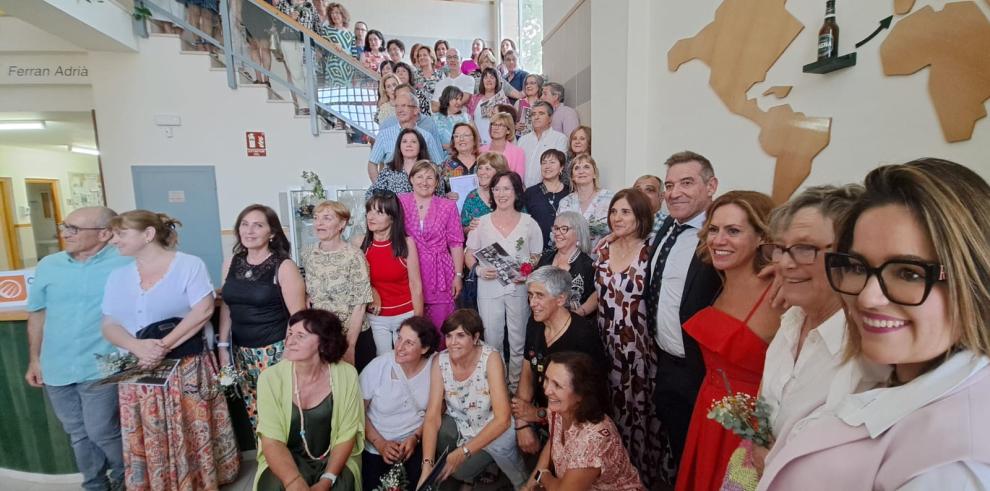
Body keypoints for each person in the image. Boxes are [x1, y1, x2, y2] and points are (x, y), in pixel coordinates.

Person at [760, 158, 990, 489]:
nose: (868, 298)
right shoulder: (880, 369)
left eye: (908, 273)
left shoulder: (954, 469)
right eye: (856, 267)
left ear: (974, 280)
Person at [721, 185, 881, 486]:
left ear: (851, 258)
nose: (784, 262)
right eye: (780, 248)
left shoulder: (868, 352)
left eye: (805, 249)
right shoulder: (790, 321)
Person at [101, 211, 239, 489]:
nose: (114, 240)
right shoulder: (118, 276)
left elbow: (203, 310)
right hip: (138, 367)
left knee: (187, 428)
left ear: (148, 235)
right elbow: (109, 323)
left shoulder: (188, 265)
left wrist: (161, 347)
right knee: (151, 431)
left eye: (121, 234)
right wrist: (137, 347)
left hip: (184, 365)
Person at [675, 191, 781, 491]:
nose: (719, 240)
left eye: (733, 231)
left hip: (749, 425)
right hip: (708, 410)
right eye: (714, 229)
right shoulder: (715, 278)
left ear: (762, 236)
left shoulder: (779, 294)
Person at [25, 207, 130, 491]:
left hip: (102, 365)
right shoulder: (49, 264)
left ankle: (125, 480)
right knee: (78, 433)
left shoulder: (125, 261)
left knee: (102, 431)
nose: (65, 233)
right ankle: (95, 484)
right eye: (65, 226)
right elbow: (37, 314)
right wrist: (35, 360)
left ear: (105, 234)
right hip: (56, 365)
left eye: (74, 229)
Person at [645, 151, 723, 475]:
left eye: (686, 183)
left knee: (709, 459)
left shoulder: (718, 236)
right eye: (669, 185)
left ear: (711, 185)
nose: (674, 192)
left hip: (702, 370)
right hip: (666, 362)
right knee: (681, 449)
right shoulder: (667, 229)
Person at [594, 188, 668, 487]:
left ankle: (642, 478)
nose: (617, 217)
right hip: (605, 342)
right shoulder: (602, 249)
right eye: (614, 211)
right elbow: (597, 294)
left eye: (625, 212)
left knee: (639, 415)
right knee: (610, 411)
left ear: (641, 215)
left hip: (638, 347)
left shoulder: (652, 250)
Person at [254, 309, 364, 490]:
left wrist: (327, 480)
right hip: (286, 458)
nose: (290, 342)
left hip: (332, 458)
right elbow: (272, 441)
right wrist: (293, 482)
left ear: (323, 343)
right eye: (290, 334)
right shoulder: (270, 379)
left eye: (300, 336)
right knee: (275, 486)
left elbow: (347, 433)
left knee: (342, 485)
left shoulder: (346, 374)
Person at [219, 204, 307, 430]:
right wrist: (222, 347)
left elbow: (298, 317)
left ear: (272, 233)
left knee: (281, 410)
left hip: (275, 350)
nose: (249, 231)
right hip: (240, 352)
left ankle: (290, 461)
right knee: (255, 412)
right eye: (245, 225)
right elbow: (227, 307)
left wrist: (290, 354)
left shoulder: (284, 266)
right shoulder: (231, 263)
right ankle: (267, 460)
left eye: (258, 225)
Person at [418, 310, 528, 489]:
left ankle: (501, 469)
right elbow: (432, 416)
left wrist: (463, 452)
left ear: (476, 337)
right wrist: (427, 465)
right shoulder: (440, 360)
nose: (453, 343)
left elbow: (503, 420)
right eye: (449, 336)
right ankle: (480, 469)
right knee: (439, 431)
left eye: (461, 335)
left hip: (494, 430)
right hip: (464, 424)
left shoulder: (490, 359)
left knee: (519, 479)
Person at [512, 267, 607, 456]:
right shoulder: (535, 323)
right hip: (538, 413)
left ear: (561, 299)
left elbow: (586, 400)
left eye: (539, 295)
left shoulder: (583, 337)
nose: (532, 303)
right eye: (530, 295)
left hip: (575, 421)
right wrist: (522, 423)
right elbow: (527, 371)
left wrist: (539, 415)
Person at [520, 352, 647, 491]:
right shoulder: (559, 410)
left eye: (557, 385)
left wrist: (543, 477)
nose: (547, 390)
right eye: (546, 379)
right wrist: (531, 483)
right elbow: (554, 441)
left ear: (580, 394)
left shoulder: (593, 440)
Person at [466, 170, 544, 387]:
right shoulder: (480, 223)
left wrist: (526, 270)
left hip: (518, 288)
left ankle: (516, 386)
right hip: (489, 289)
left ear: (516, 192)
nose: (501, 193)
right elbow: (468, 253)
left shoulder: (529, 223)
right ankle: (497, 386)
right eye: (496, 188)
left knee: (518, 341)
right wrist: (479, 270)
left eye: (506, 188)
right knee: (492, 341)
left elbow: (537, 254)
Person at [360, 316, 438, 488]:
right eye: (399, 338)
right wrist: (380, 444)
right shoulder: (378, 366)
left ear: (424, 348)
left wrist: (416, 437)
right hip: (376, 444)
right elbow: (358, 412)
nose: (399, 347)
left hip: (413, 444)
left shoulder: (435, 366)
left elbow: (438, 409)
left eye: (409, 343)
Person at [302, 201, 373, 364]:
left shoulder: (354, 255)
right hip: (322, 335)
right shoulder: (309, 253)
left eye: (327, 218)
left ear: (342, 224)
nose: (319, 223)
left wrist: (350, 346)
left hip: (352, 336)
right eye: (316, 218)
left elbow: (360, 304)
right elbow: (310, 293)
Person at [399, 161, 465, 332]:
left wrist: (458, 275)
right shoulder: (400, 201)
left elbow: (456, 242)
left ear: (437, 182)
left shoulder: (448, 206)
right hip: (408, 272)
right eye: (419, 177)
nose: (424, 182)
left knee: (441, 326)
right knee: (412, 328)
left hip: (441, 272)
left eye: (430, 177)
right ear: (411, 179)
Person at [362, 191, 424, 355]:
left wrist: (417, 322)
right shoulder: (361, 244)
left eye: (379, 212)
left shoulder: (406, 243)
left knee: (406, 359)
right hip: (376, 318)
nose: (371, 216)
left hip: (404, 314)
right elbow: (356, 281)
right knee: (382, 362)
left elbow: (416, 285)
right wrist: (372, 291)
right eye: (369, 211)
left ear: (393, 217)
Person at [367, 91, 445, 183]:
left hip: (422, 190)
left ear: (416, 110)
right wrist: (380, 188)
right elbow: (372, 163)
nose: (399, 110)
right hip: (392, 193)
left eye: (404, 106)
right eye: (397, 106)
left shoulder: (427, 136)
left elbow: (438, 166)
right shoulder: (384, 135)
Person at [535, 212, 597, 318]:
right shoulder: (545, 258)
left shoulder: (588, 265)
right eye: (556, 228)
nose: (557, 233)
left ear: (578, 233)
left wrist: (578, 314)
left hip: (573, 326)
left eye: (564, 229)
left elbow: (596, 297)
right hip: (541, 323)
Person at [558, 154, 613, 250]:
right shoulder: (565, 202)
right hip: (571, 257)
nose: (581, 171)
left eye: (586, 167)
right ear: (572, 177)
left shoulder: (609, 197)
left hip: (601, 257)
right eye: (577, 168)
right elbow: (558, 232)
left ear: (595, 174)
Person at [523, 149, 570, 253]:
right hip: (537, 250)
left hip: (565, 250)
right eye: (544, 163)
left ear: (561, 167)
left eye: (552, 162)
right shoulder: (531, 192)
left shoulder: (570, 192)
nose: (547, 166)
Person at [366, 128, 430, 199]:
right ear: (399, 147)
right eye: (404, 141)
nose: (408, 145)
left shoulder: (430, 170)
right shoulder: (388, 171)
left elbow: (440, 199)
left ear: (420, 146)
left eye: (413, 142)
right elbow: (370, 195)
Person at [517, 101, 568, 188]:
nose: (536, 117)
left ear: (550, 118)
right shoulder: (523, 140)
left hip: (547, 190)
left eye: (541, 113)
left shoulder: (560, 138)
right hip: (523, 191)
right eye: (533, 114)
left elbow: (558, 166)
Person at [467, 68, 509, 146]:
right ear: (482, 81)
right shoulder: (474, 99)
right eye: (486, 77)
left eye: (492, 77)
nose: (489, 80)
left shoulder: (503, 100)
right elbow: (468, 119)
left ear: (496, 81)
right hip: (477, 143)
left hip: (497, 144)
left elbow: (509, 122)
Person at [319, 3, 354, 89]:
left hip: (347, 68)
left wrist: (343, 50)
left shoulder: (350, 34)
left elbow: (354, 55)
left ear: (343, 14)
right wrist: (332, 45)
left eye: (337, 12)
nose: (334, 15)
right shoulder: (326, 29)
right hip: (332, 67)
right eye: (332, 13)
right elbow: (321, 48)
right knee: (333, 94)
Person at [479, 111, 526, 177]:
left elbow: (518, 180)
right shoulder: (480, 150)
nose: (496, 128)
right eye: (494, 124)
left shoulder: (518, 152)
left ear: (508, 130)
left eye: (500, 125)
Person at [431, 48, 474, 113]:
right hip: (444, 121)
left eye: (455, 57)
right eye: (449, 57)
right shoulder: (440, 84)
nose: (452, 60)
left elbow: (464, 99)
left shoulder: (469, 79)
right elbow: (434, 107)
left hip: (462, 120)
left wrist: (443, 104)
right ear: (446, 61)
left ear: (461, 59)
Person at [431, 86, 470, 151]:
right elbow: (430, 141)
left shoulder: (466, 117)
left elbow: (475, 138)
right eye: (456, 99)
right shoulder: (435, 118)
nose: (459, 102)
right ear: (447, 99)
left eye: (460, 99)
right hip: (439, 157)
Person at [413, 45, 442, 115]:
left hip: (437, 113)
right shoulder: (414, 75)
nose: (422, 57)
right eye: (420, 56)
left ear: (432, 59)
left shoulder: (440, 75)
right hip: (419, 115)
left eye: (425, 55)